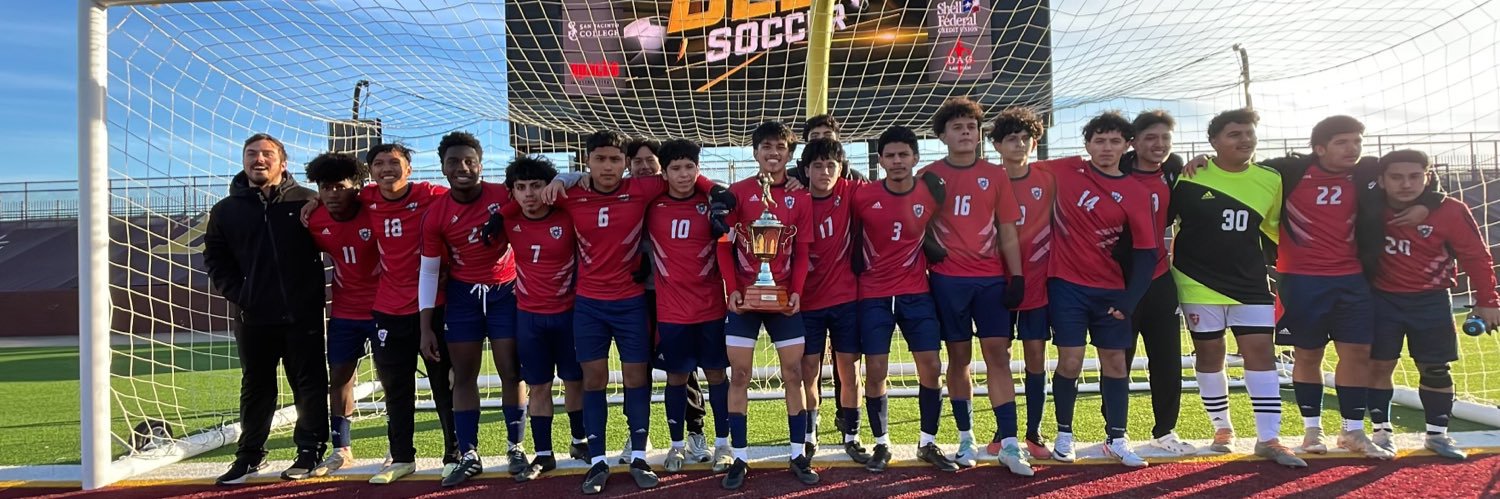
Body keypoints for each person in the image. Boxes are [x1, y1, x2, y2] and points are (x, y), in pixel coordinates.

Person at [538, 130, 723, 495]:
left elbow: (689, 175)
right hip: (589, 305)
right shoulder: (569, 194)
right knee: (594, 381)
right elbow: (522, 201)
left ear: (624, 164)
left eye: (615, 160)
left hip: (632, 302)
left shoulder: (641, 189)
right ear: (587, 161)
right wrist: (560, 178)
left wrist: (718, 192)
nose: (608, 166)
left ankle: (638, 455)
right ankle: (596, 462)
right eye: (600, 159)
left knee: (637, 379)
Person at [1171, 109, 1304, 467]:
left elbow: (1273, 227)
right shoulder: (1188, 177)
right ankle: (1222, 429)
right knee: (1211, 355)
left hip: (1250, 282)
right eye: (1234, 134)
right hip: (1197, 282)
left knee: (1260, 353)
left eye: (1248, 133)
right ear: (1214, 142)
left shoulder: (1270, 179)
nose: (1244, 140)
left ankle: (1270, 438)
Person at [204, 134, 328, 485]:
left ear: (282, 162)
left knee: (309, 383)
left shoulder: (307, 201)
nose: (259, 159)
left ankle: (309, 451)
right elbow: (214, 256)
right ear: (244, 160)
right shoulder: (226, 209)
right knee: (256, 386)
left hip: (301, 314)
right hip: (252, 315)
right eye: (252, 154)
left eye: (267, 154)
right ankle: (249, 456)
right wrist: (239, 294)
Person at [1034, 112, 1156, 467]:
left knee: (1115, 363)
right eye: (1099, 140)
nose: (1106, 148)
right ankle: (1064, 434)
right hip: (1065, 285)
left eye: (1114, 141)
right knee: (1070, 361)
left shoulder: (1136, 192)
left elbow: (1147, 253)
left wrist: (1129, 299)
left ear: (1126, 145)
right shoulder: (1066, 169)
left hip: (1110, 291)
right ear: (1086, 144)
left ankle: (1116, 438)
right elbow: (1019, 167)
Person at [1362, 149, 1500, 460]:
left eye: (1415, 176)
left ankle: (1437, 435)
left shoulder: (1451, 210)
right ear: (1381, 180)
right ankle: (1382, 432)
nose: (1406, 184)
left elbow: (1476, 257)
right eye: (1396, 177)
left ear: (1428, 176)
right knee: (1378, 365)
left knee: (1436, 369)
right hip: (1380, 298)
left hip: (1432, 300)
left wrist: (1488, 300)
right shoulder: (1368, 204)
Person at [919, 97, 1025, 469]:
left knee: (999, 355)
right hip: (949, 281)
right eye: (958, 127)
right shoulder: (929, 175)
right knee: (959, 358)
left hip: (991, 281)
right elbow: (915, 223)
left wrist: (1017, 275)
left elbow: (1007, 229)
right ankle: (966, 439)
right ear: (943, 136)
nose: (966, 132)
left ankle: (1010, 442)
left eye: (971, 127)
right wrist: (929, 247)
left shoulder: (995, 174)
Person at [416, 132, 525, 487]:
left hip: (506, 293)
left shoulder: (504, 194)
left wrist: (507, 211)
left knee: (511, 372)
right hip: (463, 297)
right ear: (443, 168)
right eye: (453, 162)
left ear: (480, 163)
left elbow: (552, 185)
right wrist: (425, 326)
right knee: (464, 376)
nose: (462, 167)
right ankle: (469, 454)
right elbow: (430, 270)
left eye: (469, 161)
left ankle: (515, 447)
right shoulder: (436, 214)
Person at [716, 121, 819, 489]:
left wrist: (797, 292)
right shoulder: (737, 192)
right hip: (745, 298)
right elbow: (724, 245)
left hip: (784, 300)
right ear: (755, 152)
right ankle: (739, 456)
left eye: (780, 147)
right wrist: (732, 288)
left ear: (789, 154)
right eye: (765, 147)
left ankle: (796, 453)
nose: (772, 153)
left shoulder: (800, 196)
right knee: (739, 375)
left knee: (794, 374)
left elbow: (804, 250)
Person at [852, 128, 960, 473]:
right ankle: (882, 444)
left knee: (931, 367)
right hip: (873, 294)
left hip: (916, 292)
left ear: (915, 157)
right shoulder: (863, 195)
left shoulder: (931, 192)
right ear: (880, 160)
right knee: (876, 371)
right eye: (890, 155)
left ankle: (927, 442)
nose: (897, 161)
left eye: (903, 155)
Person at [362, 143, 459, 483]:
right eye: (378, 163)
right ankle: (402, 457)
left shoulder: (432, 194)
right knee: (395, 388)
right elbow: (334, 201)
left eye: (394, 162)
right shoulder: (365, 199)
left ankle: (454, 454)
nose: (386, 168)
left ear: (409, 168)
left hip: (434, 305)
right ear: (371, 171)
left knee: (443, 385)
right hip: (388, 308)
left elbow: (468, 199)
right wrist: (313, 201)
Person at [646, 139, 736, 474]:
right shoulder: (651, 204)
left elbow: (732, 211)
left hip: (712, 309)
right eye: (675, 168)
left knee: (716, 375)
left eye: (690, 167)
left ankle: (723, 444)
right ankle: (676, 446)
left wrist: (710, 189)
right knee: (677, 377)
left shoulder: (713, 203)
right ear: (664, 172)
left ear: (698, 169)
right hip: (672, 312)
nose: (683, 174)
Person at [499, 156, 588, 481]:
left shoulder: (568, 214)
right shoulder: (508, 221)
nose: (528, 194)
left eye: (535, 186)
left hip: (569, 314)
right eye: (520, 188)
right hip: (529, 318)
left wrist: (562, 180)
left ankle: (579, 442)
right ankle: (544, 454)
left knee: (575, 381)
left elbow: (584, 175)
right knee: (539, 386)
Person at [624, 137, 709, 464]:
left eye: (650, 161)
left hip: (676, 294)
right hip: (635, 295)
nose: (644, 166)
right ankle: (637, 437)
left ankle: (695, 432)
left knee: (684, 369)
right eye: (638, 161)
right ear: (630, 166)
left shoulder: (678, 190)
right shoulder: (627, 194)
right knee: (637, 366)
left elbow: (707, 184)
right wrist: (562, 177)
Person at [1117, 110, 1196, 455]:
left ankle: (1165, 430)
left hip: (1160, 278)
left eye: (1164, 138)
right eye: (1150, 137)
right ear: (1134, 142)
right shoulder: (1114, 170)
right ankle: (1114, 432)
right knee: (1118, 357)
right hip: (1119, 280)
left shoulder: (1173, 169)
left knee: (1166, 358)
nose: (1159, 144)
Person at [303, 152, 379, 477]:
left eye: (339, 186)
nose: (332, 193)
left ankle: (398, 448)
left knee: (393, 379)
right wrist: (309, 200)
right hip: (345, 310)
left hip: (386, 308)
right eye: (325, 187)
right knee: (341, 378)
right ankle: (341, 449)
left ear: (356, 187)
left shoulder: (376, 212)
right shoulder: (314, 218)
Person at [795, 138, 870, 465]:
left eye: (831, 165)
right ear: (806, 169)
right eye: (817, 165)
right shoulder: (794, 200)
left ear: (842, 169)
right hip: (808, 301)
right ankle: (810, 435)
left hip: (846, 300)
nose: (824, 171)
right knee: (808, 371)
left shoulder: (852, 192)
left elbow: (890, 191)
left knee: (849, 370)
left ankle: (852, 435)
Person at [988, 107, 1055, 465]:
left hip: (1040, 283)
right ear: (997, 145)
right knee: (999, 357)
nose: (1019, 143)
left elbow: (1110, 155)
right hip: (995, 284)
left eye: (1024, 137)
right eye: (1010, 138)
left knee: (1035, 356)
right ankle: (1005, 429)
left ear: (1035, 141)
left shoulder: (1050, 176)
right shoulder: (987, 180)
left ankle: (1033, 430)